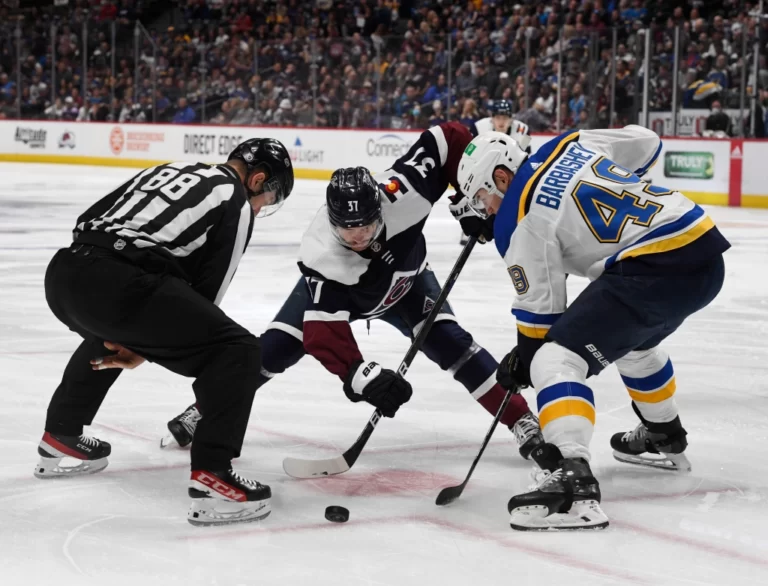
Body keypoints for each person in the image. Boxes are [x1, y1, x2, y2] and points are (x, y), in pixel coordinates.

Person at [165, 123, 545, 464]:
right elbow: (321, 335)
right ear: (332, 222)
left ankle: (519, 418)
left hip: (407, 283)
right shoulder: (323, 256)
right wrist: (362, 376)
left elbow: (448, 140)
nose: (358, 236)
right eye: (348, 229)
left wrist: (469, 197)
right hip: (347, 294)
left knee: (453, 344)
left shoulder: (403, 192)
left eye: (366, 225)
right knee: (271, 351)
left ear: (380, 207)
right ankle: (203, 409)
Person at [455, 126, 730, 531]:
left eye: (482, 197)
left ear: (501, 177)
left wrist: (524, 359)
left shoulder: (516, 219)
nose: (486, 209)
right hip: (703, 252)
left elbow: (541, 313)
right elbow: (647, 141)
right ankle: (663, 433)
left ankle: (573, 478)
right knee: (633, 343)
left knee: (555, 359)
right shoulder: (569, 143)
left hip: (653, 269)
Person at [36, 138, 295, 527]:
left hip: (64, 275)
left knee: (108, 330)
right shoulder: (236, 200)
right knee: (238, 350)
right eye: (267, 200)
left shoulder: (174, 167)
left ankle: (61, 435)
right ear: (258, 179)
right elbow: (209, 292)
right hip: (121, 283)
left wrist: (141, 331)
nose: (261, 208)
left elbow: (93, 216)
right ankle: (213, 476)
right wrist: (153, 343)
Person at [460, 99, 534, 245]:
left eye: (505, 118)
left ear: (511, 119)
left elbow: (526, 159)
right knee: (474, 194)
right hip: (484, 171)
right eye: (498, 118)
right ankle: (469, 228)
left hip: (507, 175)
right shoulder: (479, 128)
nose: (501, 122)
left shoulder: (522, 131)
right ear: (491, 118)